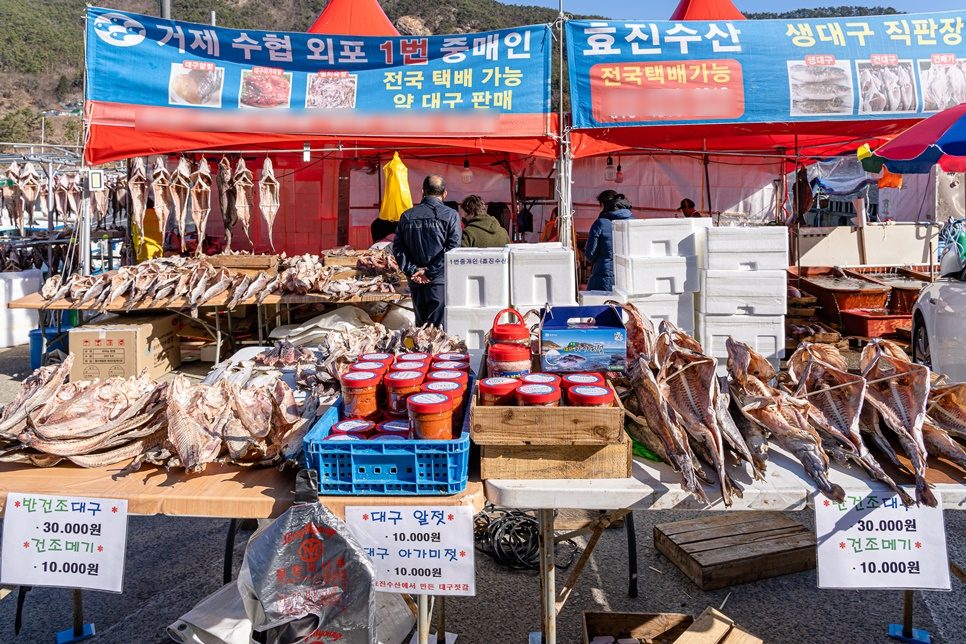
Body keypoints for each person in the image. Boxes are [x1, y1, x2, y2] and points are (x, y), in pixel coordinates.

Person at [393, 175, 461, 328]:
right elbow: (453, 249)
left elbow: (398, 248)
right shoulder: (451, 215)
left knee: (421, 330)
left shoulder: (407, 216)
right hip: (439, 282)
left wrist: (414, 270)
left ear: (422, 192)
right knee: (438, 331)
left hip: (417, 280)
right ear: (444, 194)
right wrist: (430, 272)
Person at [585, 190, 634, 291]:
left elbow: (590, 253)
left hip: (604, 276)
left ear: (602, 205)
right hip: (630, 276)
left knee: (602, 305)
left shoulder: (600, 223)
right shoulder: (634, 221)